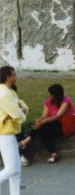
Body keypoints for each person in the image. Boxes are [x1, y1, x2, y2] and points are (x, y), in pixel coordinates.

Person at [18, 83, 75, 165]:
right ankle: (53, 154)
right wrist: (39, 120)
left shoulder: (66, 100)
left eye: (51, 94)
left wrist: (43, 121)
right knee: (42, 131)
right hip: (53, 125)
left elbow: (58, 116)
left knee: (42, 127)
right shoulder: (48, 101)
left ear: (56, 94)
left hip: (66, 125)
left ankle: (25, 141)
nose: (49, 95)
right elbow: (44, 115)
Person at [0, 67, 25, 195]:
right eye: (14, 74)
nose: (16, 76)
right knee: (11, 169)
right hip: (4, 134)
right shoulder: (4, 93)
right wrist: (22, 114)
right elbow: (18, 114)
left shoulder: (9, 92)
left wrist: (22, 111)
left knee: (16, 169)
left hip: (8, 133)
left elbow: (22, 106)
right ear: (7, 77)